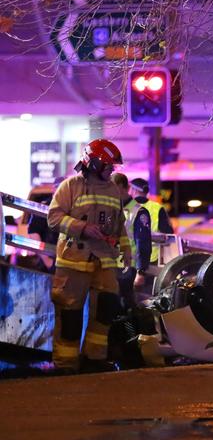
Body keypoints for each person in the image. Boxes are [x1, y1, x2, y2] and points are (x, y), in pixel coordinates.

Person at [47, 139, 131, 373]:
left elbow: (119, 225)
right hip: (73, 261)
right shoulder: (70, 186)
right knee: (70, 314)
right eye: (109, 166)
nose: (112, 170)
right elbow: (53, 218)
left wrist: (126, 250)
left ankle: (94, 359)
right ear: (93, 163)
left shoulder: (113, 189)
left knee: (106, 309)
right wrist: (81, 227)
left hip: (104, 260)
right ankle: (66, 364)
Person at [111, 173, 153, 308]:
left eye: (113, 188)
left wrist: (141, 272)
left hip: (128, 268)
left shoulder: (138, 212)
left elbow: (143, 243)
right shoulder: (112, 208)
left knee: (126, 305)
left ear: (123, 188)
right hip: (110, 265)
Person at [126, 177, 174, 268]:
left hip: (131, 257)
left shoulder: (127, 207)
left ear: (133, 189)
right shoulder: (157, 207)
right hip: (152, 258)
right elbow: (169, 233)